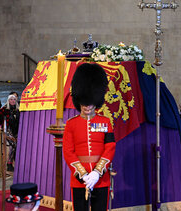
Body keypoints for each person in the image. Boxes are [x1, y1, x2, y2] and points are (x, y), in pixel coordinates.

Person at [63, 63, 116, 211]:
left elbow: (110, 147)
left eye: (90, 103)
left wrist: (97, 173)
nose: (87, 107)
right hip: (79, 179)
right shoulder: (71, 124)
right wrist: (83, 175)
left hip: (101, 179)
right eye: (84, 103)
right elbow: (68, 151)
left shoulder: (105, 122)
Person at [0, 94, 20, 171]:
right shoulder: (5, 108)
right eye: (11, 99)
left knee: (15, 147)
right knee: (12, 146)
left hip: (16, 130)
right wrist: (0, 124)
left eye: (14, 99)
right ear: (8, 100)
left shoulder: (18, 109)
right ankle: (9, 163)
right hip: (8, 130)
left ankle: (14, 163)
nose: (13, 101)